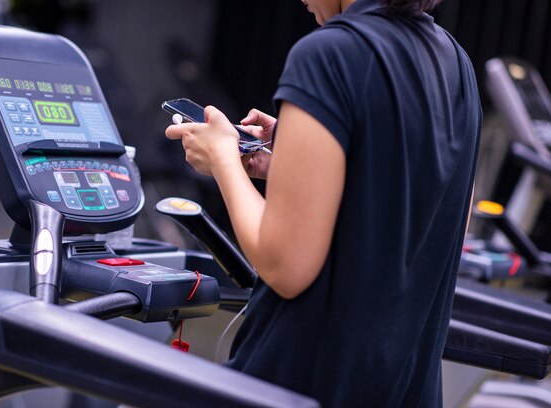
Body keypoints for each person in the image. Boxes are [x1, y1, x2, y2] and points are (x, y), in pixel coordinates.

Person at [165, 0, 481, 406]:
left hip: (294, 389)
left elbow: (285, 265)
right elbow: (434, 210)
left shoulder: (328, 54)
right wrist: (301, 159)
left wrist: (224, 159)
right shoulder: (456, 61)